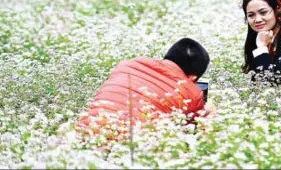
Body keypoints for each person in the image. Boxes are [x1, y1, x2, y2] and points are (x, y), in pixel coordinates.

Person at [77, 38, 212, 139]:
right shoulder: (191, 92)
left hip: (86, 132)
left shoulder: (127, 65)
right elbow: (193, 128)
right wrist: (207, 111)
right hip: (133, 144)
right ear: (193, 78)